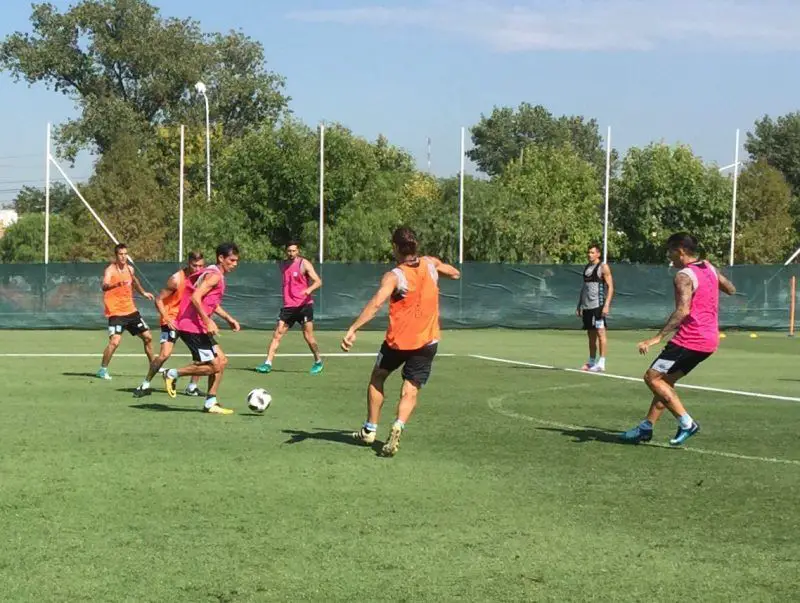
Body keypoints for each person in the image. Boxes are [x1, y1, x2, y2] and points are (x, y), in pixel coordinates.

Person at [341, 227, 460, 457]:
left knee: (378, 376)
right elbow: (455, 273)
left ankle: (370, 430)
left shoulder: (394, 276)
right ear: (415, 246)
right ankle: (398, 425)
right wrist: (436, 270)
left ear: (395, 247)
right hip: (427, 342)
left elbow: (376, 304)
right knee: (410, 388)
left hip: (398, 342)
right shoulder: (430, 263)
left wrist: (353, 329)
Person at [620, 233, 736, 446]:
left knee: (652, 378)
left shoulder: (683, 276)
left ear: (681, 250)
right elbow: (730, 288)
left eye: (670, 251)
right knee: (665, 383)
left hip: (689, 339)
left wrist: (656, 338)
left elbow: (682, 311)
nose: (669, 257)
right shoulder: (708, 267)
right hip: (709, 341)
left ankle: (686, 422)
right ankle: (646, 428)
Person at [162, 243, 241, 415]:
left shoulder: (214, 272)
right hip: (192, 326)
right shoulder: (214, 276)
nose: (235, 264)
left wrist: (229, 319)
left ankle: (210, 402)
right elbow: (195, 298)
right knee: (214, 366)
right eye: (232, 260)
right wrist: (208, 321)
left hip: (197, 326)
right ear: (221, 258)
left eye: (236, 260)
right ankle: (172, 373)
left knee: (222, 361)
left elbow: (209, 302)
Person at [133, 251, 205, 398]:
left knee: (201, 356)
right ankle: (145, 384)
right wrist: (166, 318)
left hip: (189, 321)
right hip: (171, 320)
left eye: (201, 266)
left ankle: (192, 388)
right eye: (194, 265)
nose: (197, 269)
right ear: (188, 263)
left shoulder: (202, 278)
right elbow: (158, 300)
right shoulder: (176, 279)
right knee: (164, 354)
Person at [256, 241, 324, 375]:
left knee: (308, 337)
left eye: (294, 251)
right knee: (277, 334)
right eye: (289, 251)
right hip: (288, 307)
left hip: (304, 305)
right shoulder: (282, 265)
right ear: (286, 252)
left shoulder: (303, 264)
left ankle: (318, 361)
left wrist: (308, 290)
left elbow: (318, 281)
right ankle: (267, 364)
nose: (291, 253)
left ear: (298, 251)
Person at [97, 243, 155, 380]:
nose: (123, 257)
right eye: (121, 254)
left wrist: (143, 293)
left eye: (125, 254)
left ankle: (154, 365)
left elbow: (135, 282)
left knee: (148, 337)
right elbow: (104, 286)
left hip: (131, 311)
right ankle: (102, 369)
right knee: (115, 342)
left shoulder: (130, 269)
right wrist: (115, 284)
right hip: (116, 312)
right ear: (116, 256)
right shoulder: (110, 270)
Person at [576, 243, 614, 373]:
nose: (589, 255)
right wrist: (579, 305)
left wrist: (607, 305)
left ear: (598, 254)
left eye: (592, 252)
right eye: (589, 252)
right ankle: (591, 361)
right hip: (587, 307)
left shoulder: (603, 267)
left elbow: (610, 287)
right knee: (590, 335)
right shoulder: (587, 267)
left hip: (598, 305)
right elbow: (584, 288)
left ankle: (601, 363)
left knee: (600, 333)